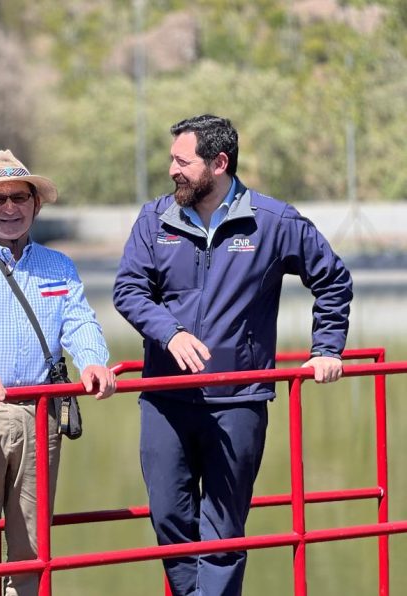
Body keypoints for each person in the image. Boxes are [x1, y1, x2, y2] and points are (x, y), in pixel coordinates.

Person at [113, 114, 353, 596]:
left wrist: (326, 348)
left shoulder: (274, 222)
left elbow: (333, 281)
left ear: (218, 163)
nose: (172, 171)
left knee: (222, 529)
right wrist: (171, 333)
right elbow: (128, 290)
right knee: (170, 521)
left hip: (238, 402)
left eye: (183, 161)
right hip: (165, 399)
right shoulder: (153, 218)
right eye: (171, 159)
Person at [0, 150, 117, 595]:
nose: (8, 208)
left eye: (18, 197)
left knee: (32, 547)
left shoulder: (58, 266)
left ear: (36, 205)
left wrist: (93, 360)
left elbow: (80, 321)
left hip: (39, 415)